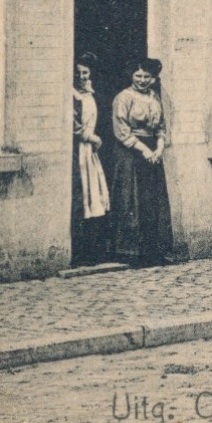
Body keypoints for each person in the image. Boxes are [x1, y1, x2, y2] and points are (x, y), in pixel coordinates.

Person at [108, 58, 175, 267]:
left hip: (152, 152)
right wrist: (145, 150)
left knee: (151, 200)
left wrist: (159, 148)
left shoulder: (155, 98)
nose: (142, 80)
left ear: (153, 78)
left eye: (147, 76)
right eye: (138, 76)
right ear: (131, 76)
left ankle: (152, 249)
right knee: (131, 199)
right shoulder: (124, 98)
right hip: (130, 152)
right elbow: (121, 130)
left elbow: (161, 127)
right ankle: (129, 251)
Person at [70, 53, 112, 266]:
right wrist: (89, 137)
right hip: (78, 150)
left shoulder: (90, 94)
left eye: (85, 72)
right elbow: (73, 123)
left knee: (94, 197)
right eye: (77, 73)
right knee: (82, 196)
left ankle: (94, 250)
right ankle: (79, 253)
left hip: (90, 152)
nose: (81, 76)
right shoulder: (73, 95)